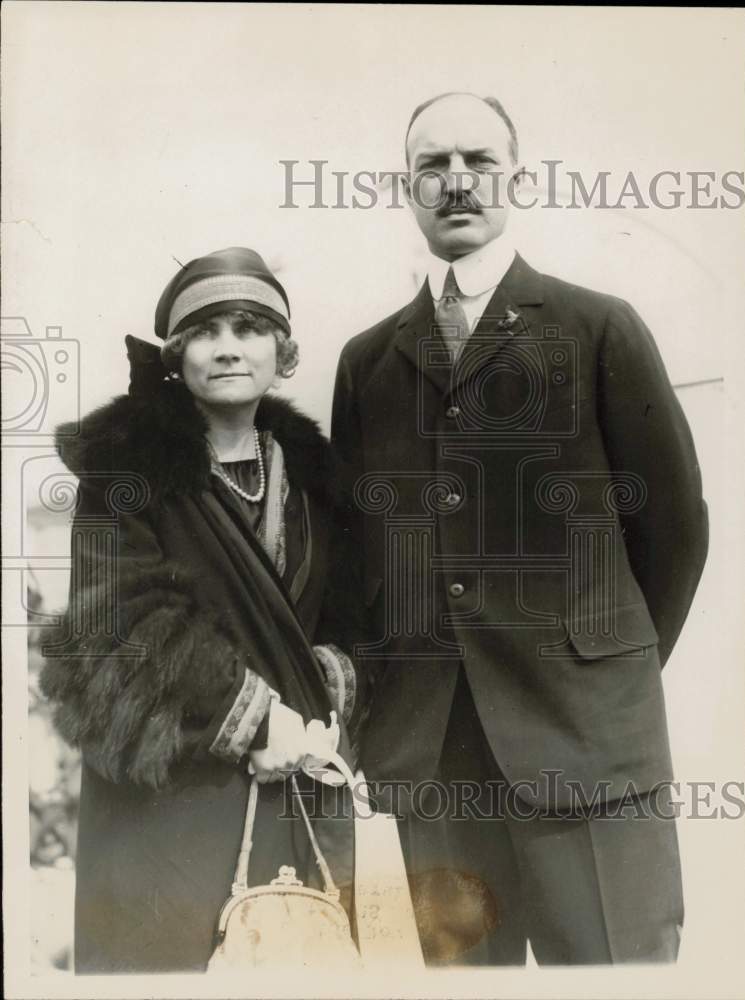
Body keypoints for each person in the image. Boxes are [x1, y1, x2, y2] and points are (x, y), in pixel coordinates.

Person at [330, 93, 709, 965]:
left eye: (479, 162)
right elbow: (362, 559)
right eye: (433, 166)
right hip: (435, 759)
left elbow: (675, 530)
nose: (456, 182)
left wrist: (599, 665)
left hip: (587, 745)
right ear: (407, 186)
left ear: (516, 179)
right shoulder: (367, 361)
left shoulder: (596, 326)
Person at [40, 247, 361, 972]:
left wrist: (332, 684)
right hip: (172, 787)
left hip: (295, 777)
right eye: (205, 332)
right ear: (176, 356)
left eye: (249, 328)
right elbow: (116, 621)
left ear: (283, 351)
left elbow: (354, 616)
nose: (227, 348)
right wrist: (254, 712)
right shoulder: (126, 467)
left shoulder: (315, 479)